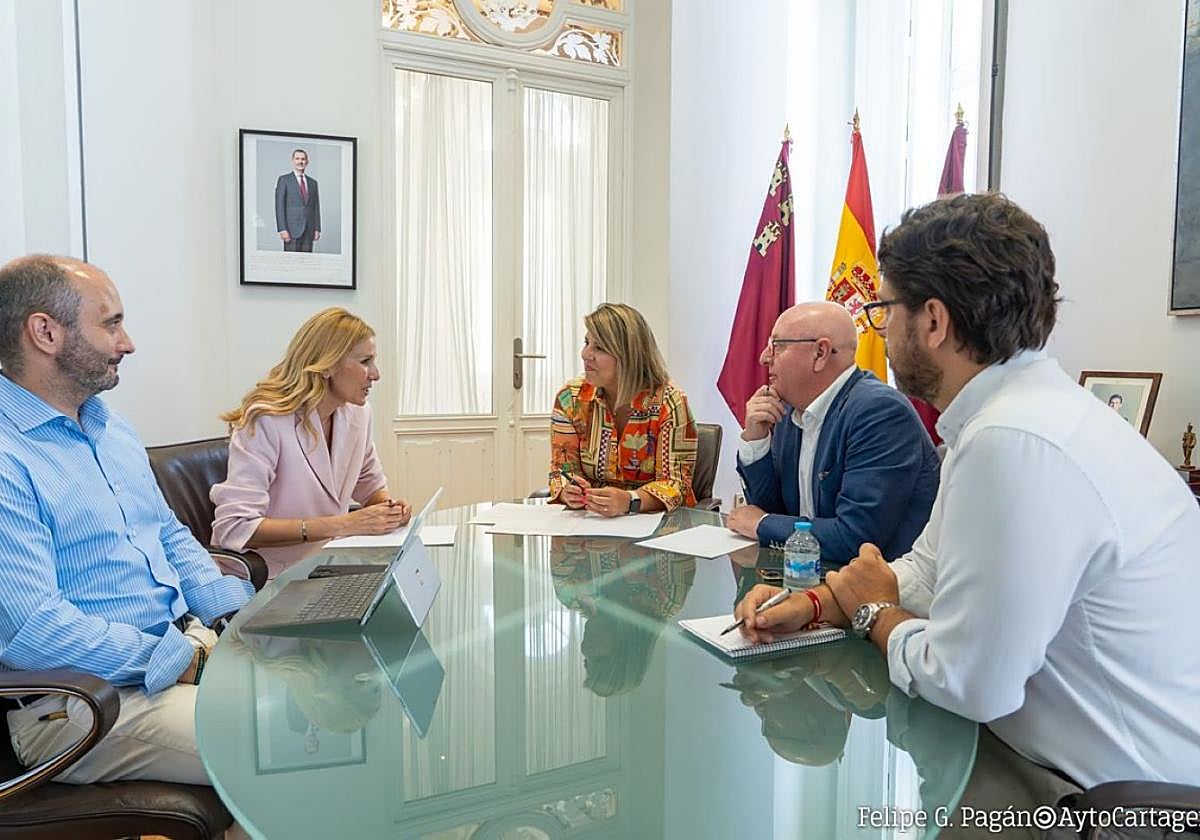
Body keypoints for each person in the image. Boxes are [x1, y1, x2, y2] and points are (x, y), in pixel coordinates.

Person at [735, 194, 1200, 804]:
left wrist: (874, 614)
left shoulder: (1014, 440)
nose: (883, 331)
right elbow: (929, 567)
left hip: (1112, 802)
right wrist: (820, 602)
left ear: (933, 320)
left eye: (885, 310)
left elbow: (967, 681)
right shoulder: (1008, 419)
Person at [0, 254, 254, 786]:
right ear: (45, 332)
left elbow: (166, 533)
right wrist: (181, 661)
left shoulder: (110, 428)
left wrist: (239, 620)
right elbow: (30, 629)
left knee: (333, 701)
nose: (128, 341)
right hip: (77, 702)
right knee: (283, 741)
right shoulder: (7, 455)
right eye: (111, 323)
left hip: (177, 651)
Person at [726, 301, 940, 567]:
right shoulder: (792, 407)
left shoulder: (879, 412)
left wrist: (761, 524)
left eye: (777, 345)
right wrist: (756, 440)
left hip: (882, 592)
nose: (764, 357)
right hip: (813, 576)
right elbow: (771, 510)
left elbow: (856, 539)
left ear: (820, 353)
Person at [211, 308, 410, 579]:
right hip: (270, 578)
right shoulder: (266, 420)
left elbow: (370, 484)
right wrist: (344, 525)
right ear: (327, 365)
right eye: (365, 361)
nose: (375, 374)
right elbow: (235, 527)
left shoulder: (357, 413)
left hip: (326, 568)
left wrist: (388, 510)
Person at [547, 303, 698, 517]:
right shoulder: (570, 398)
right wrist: (566, 490)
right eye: (587, 343)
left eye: (599, 348)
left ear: (629, 355)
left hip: (656, 530)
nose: (585, 354)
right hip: (590, 526)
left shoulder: (670, 402)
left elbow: (676, 485)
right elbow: (561, 470)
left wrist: (630, 500)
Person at [275, 148, 321, 252]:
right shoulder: (284, 180)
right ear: (293, 161)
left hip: (309, 230)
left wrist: (317, 228)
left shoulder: (313, 183)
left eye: (303, 159)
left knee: (307, 263)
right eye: (297, 159)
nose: (300, 161)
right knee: (291, 264)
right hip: (291, 230)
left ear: (307, 162)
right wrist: (282, 229)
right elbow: (279, 206)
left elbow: (316, 207)